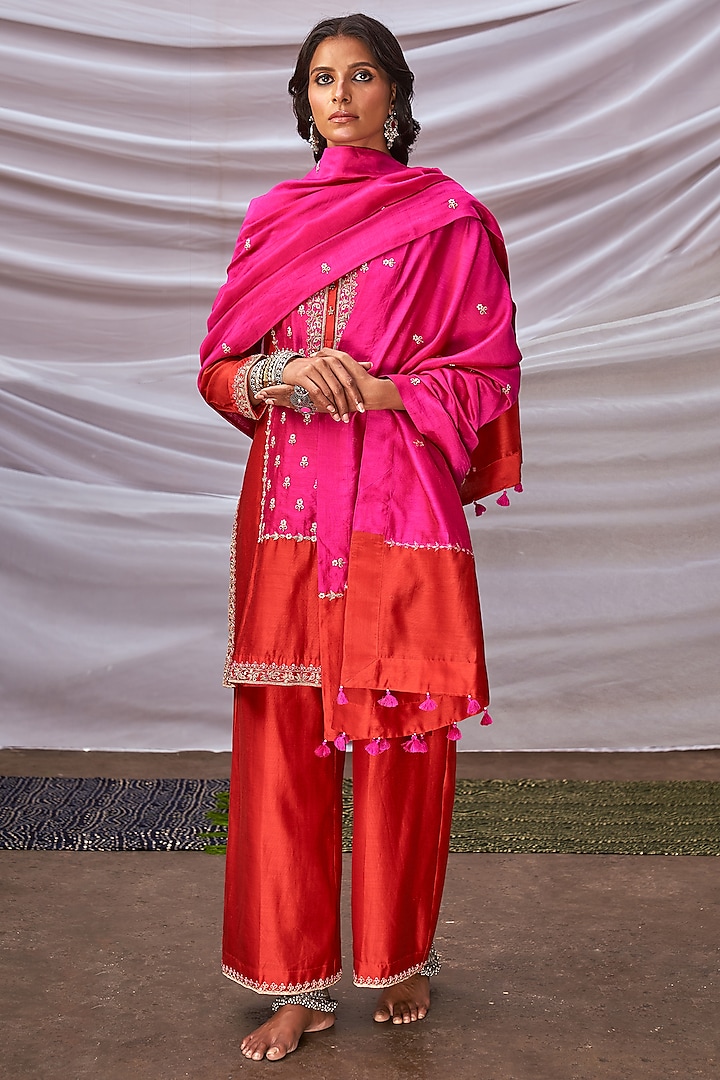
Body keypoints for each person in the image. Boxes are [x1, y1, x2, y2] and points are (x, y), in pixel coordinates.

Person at [198, 12, 522, 1063]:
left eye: (362, 75)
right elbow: (217, 366)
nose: (340, 94)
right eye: (322, 79)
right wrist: (278, 374)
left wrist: (377, 386)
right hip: (288, 510)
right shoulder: (271, 218)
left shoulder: (448, 222)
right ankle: (295, 987)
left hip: (398, 511)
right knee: (283, 747)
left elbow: (485, 375)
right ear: (305, 100)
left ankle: (399, 957)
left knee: (400, 743)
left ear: (396, 94)